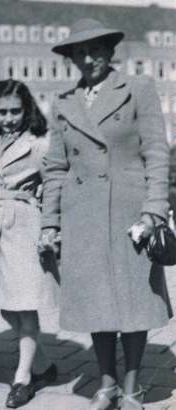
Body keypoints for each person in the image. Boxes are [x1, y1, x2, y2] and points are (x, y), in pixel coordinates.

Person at [39, 19, 172, 410]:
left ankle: (131, 387)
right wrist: (50, 222)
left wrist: (153, 211)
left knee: (133, 302)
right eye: (79, 52)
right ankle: (106, 384)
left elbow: (156, 153)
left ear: (110, 52)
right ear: (71, 59)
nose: (88, 57)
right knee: (96, 304)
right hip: (83, 216)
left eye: (96, 49)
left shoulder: (138, 89)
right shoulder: (63, 103)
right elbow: (55, 168)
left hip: (130, 215)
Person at [0, 80, 59, 408]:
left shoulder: (39, 143)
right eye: (2, 111)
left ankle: (23, 379)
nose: (8, 118)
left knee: (24, 303)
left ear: (27, 109)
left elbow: (55, 184)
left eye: (15, 111)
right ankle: (44, 365)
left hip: (23, 223)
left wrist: (51, 226)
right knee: (4, 304)